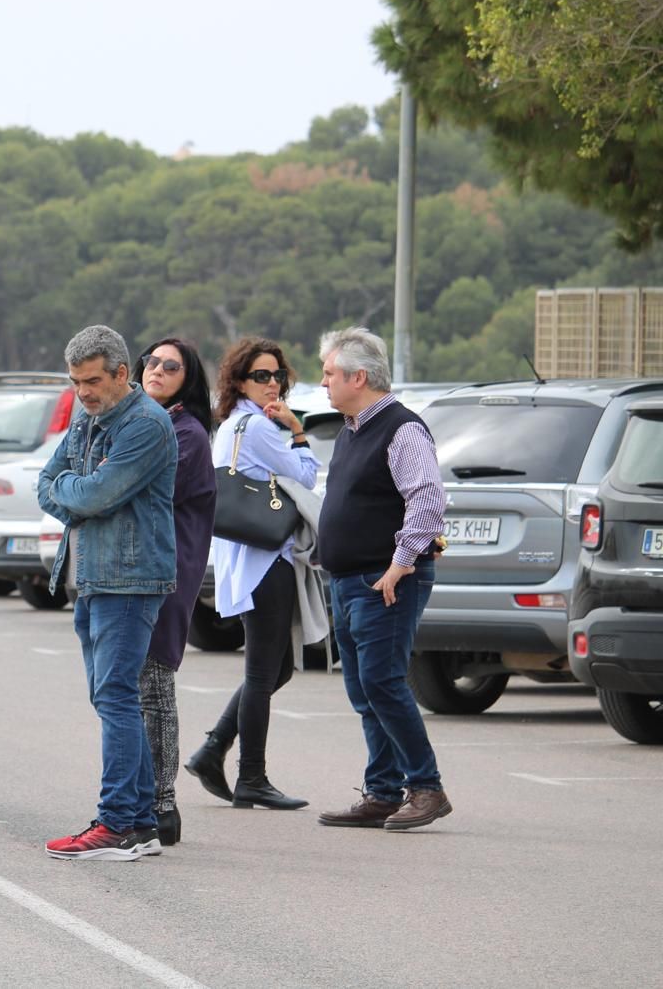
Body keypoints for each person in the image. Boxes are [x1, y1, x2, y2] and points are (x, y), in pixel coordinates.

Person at [38, 325, 177, 861]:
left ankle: (118, 822)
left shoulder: (146, 423)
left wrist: (78, 491)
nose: (84, 392)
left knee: (117, 698)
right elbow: (47, 482)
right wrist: (79, 491)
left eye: (93, 381)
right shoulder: (86, 415)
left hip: (130, 576)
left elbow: (95, 493)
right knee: (112, 697)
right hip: (93, 574)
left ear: (123, 373)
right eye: (76, 383)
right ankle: (139, 822)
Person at [314, 327, 452, 831]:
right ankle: (383, 791)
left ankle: (426, 787)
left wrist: (401, 562)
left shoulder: (401, 428)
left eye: (329, 373)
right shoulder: (352, 429)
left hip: (385, 578)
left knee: (383, 682)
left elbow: (427, 502)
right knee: (363, 689)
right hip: (350, 579)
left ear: (359, 376)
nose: (323, 381)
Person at [184, 337, 319, 812]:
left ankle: (212, 750)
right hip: (265, 560)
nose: (272, 384)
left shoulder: (232, 425)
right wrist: (297, 430)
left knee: (274, 667)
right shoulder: (257, 428)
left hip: (248, 560)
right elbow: (306, 476)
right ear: (239, 381)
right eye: (261, 376)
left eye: (277, 375)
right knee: (264, 670)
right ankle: (251, 778)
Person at [129, 337, 216, 846]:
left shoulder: (185, 434)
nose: (157, 370)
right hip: (130, 572)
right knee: (133, 691)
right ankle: (141, 796)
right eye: (152, 362)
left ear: (188, 378)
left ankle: (163, 804)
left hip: (167, 573)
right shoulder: (141, 422)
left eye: (171, 366)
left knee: (155, 686)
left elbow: (137, 488)